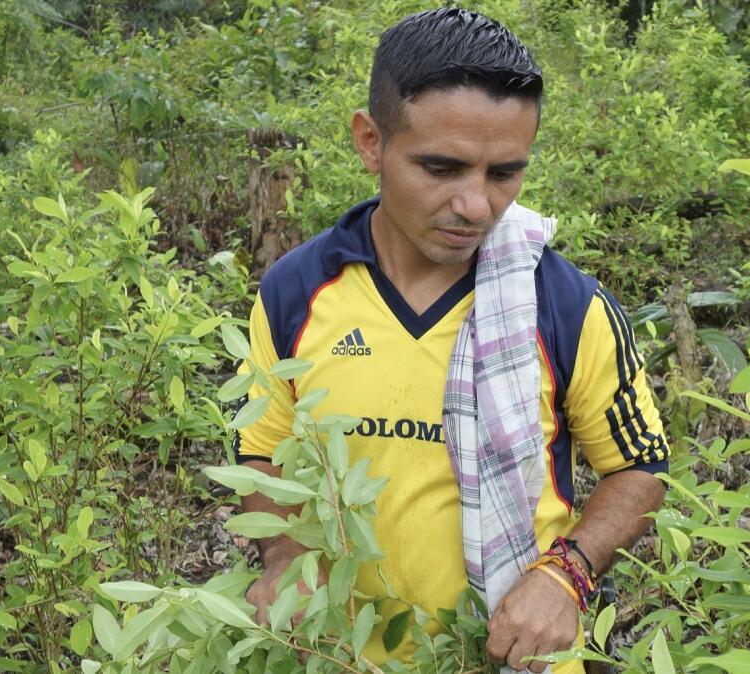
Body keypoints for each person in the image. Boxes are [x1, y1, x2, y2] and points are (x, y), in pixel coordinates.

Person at [233, 8, 669, 673]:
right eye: (443, 168)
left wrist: (567, 576)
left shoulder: (565, 306)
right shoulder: (297, 294)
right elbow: (260, 452)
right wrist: (285, 557)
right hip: (339, 656)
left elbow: (640, 468)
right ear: (370, 141)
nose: (476, 206)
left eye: (503, 174)